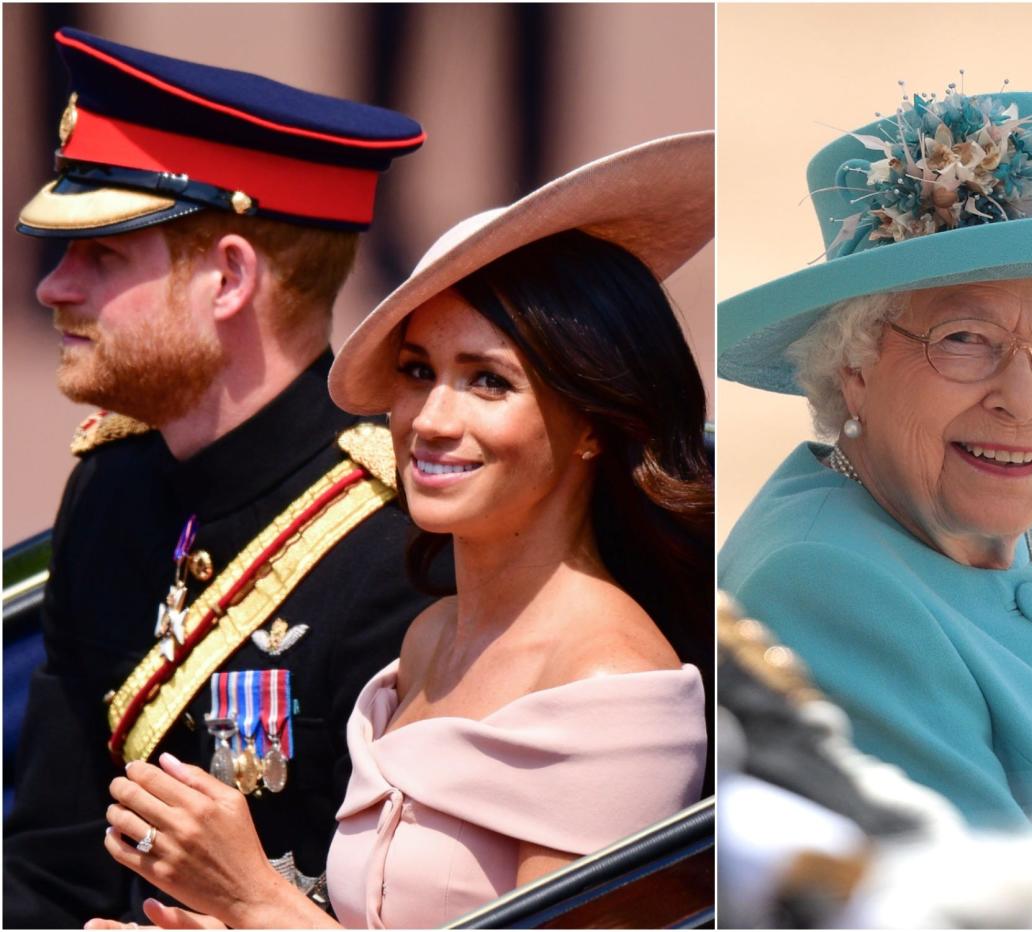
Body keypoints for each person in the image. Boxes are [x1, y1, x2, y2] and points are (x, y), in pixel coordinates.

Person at [92, 131, 714, 929]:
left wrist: (255, 899)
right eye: (419, 371)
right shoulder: (428, 639)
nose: (431, 419)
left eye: (488, 382)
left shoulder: (610, 685)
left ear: (593, 421)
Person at [3, 28, 438, 927]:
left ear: (230, 279)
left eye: (104, 256)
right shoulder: (116, 480)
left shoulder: (403, 533)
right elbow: (51, 863)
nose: (53, 287)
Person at [717, 86, 1032, 831]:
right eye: (964, 339)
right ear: (853, 366)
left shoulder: (1000, 532)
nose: (1022, 400)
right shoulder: (827, 583)